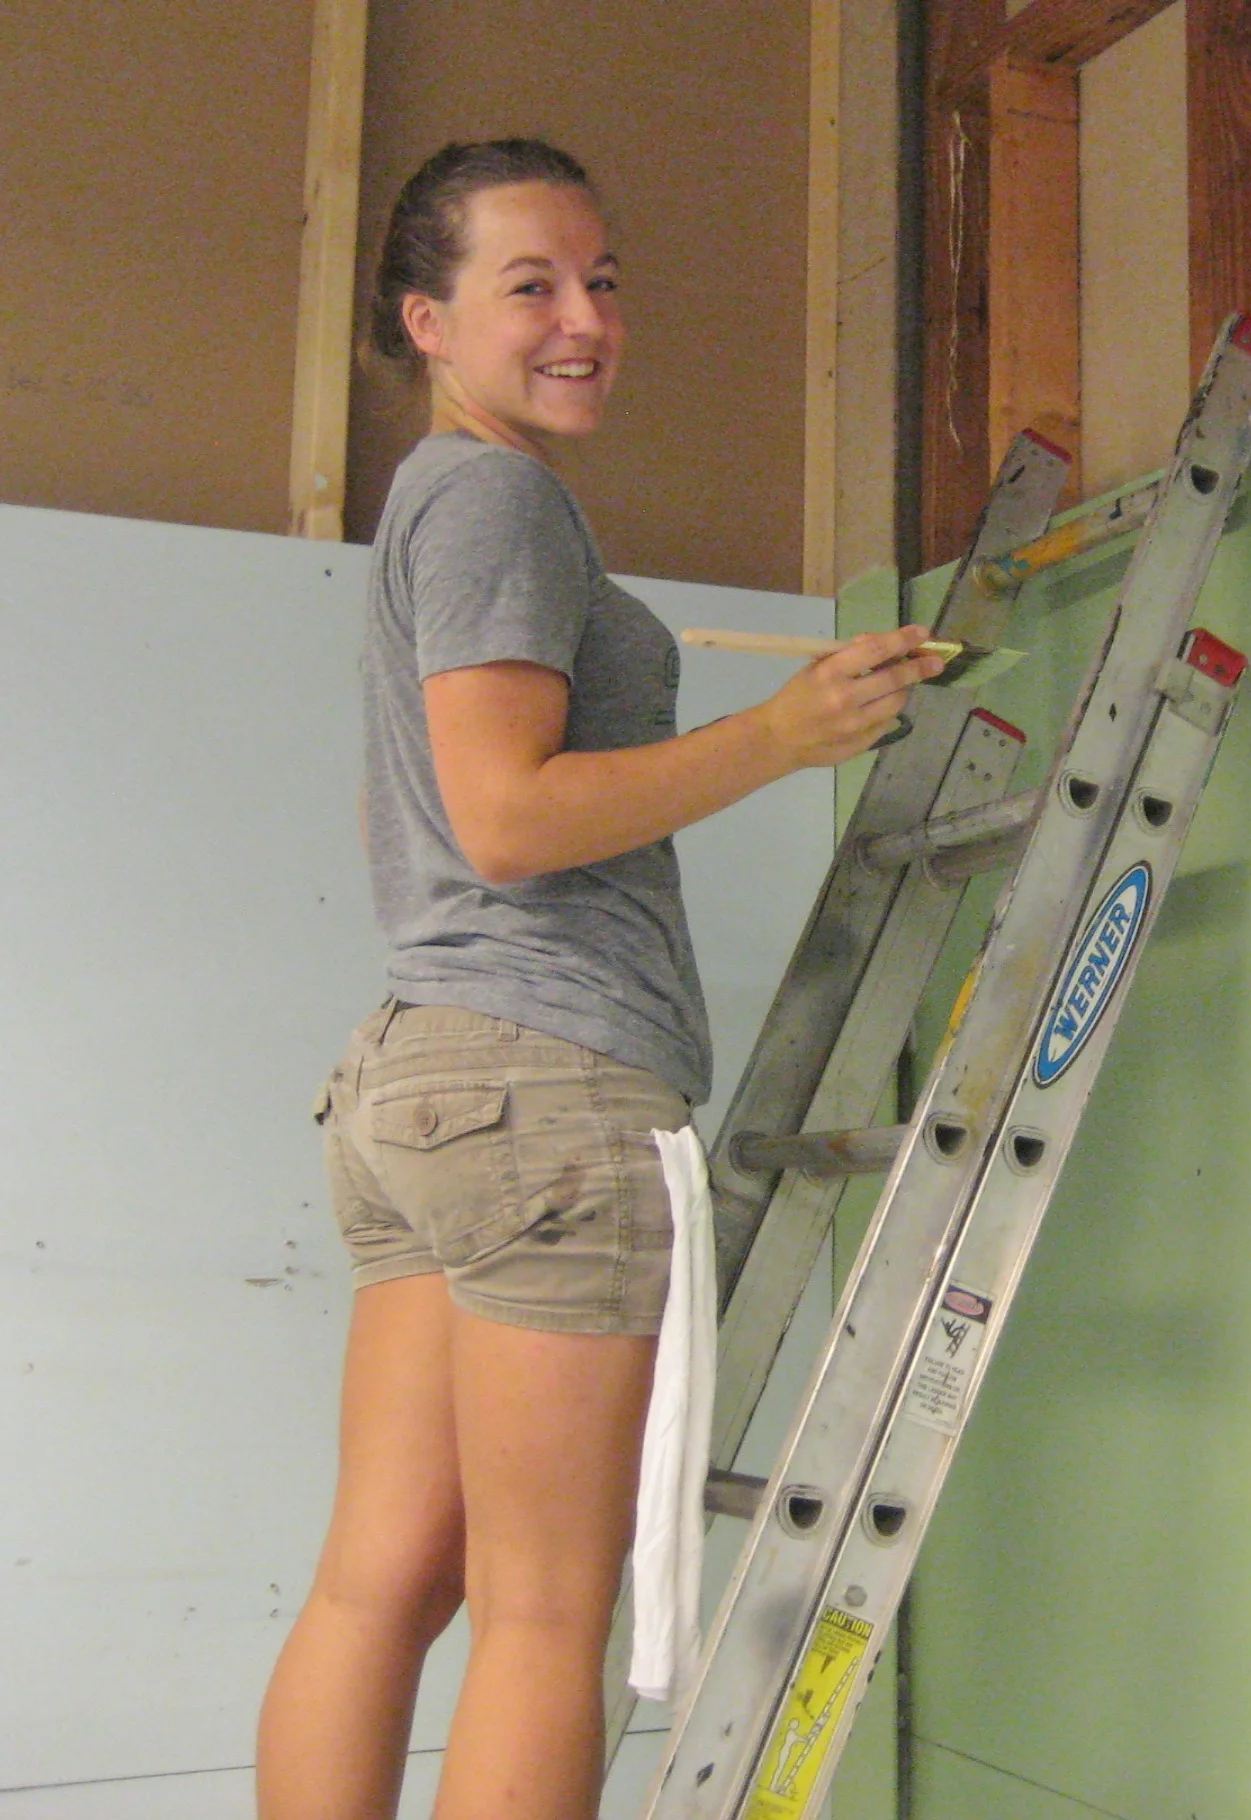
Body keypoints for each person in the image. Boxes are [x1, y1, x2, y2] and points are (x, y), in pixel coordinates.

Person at [256, 138, 941, 1820]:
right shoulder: (498, 499)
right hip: (544, 1086)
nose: (583, 320)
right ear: (426, 321)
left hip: (423, 1081)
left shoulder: (437, 500)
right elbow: (503, 820)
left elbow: (441, 809)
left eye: (603, 281)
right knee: (545, 1611)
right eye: (530, 286)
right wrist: (783, 738)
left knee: (384, 1581)